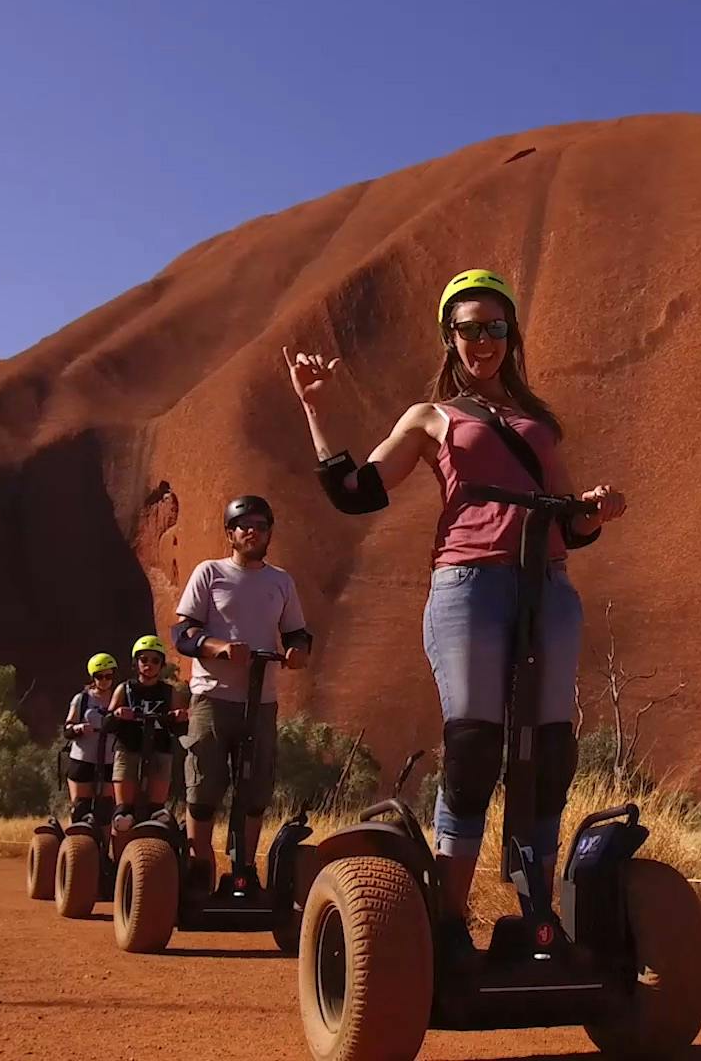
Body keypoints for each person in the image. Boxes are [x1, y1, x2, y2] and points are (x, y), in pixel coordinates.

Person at [284, 268, 627, 953]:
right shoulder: (429, 418)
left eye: (495, 327)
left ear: (511, 335)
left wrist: (597, 510)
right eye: (470, 328)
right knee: (473, 747)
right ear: (450, 336)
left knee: (550, 750)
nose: (483, 341)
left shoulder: (539, 424)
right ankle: (447, 921)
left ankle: (540, 921)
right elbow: (356, 491)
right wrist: (316, 410)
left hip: (548, 585)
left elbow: (573, 525)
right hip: (470, 584)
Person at [171, 496, 312, 896]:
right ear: (230, 533)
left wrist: (298, 651)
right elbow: (183, 633)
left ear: (269, 533)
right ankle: (199, 868)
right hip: (213, 697)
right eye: (244, 525)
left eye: (260, 526)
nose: (252, 531)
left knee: (255, 789)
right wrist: (218, 648)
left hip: (261, 700)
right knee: (203, 787)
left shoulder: (281, 581)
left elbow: (298, 632)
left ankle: (244, 872)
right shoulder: (210, 573)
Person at [106, 635, 188, 841]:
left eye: (155, 660)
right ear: (136, 662)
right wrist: (117, 714)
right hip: (129, 750)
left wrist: (180, 717)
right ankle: (118, 858)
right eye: (144, 659)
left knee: (157, 813)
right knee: (123, 817)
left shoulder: (169, 692)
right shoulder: (125, 689)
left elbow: (181, 727)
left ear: (161, 664)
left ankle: (155, 855)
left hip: (160, 751)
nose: (149, 665)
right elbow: (107, 723)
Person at [62, 653, 119, 823]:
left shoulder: (120, 698)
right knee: (80, 808)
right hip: (83, 760)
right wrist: (78, 728)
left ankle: (103, 841)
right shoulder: (82, 699)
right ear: (93, 677)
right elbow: (67, 729)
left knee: (105, 810)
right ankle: (75, 840)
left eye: (108, 676)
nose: (104, 680)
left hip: (109, 761)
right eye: (100, 676)